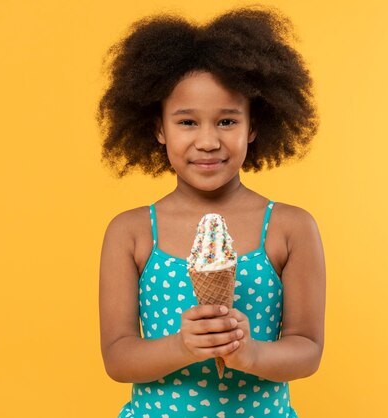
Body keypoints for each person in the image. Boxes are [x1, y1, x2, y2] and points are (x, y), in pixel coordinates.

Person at [97, 5, 326, 417]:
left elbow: (307, 349)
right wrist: (182, 346)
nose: (207, 141)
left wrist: (251, 354)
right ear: (159, 128)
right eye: (187, 122)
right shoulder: (130, 232)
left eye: (226, 121)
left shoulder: (290, 228)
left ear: (253, 126)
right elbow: (117, 357)